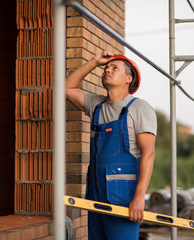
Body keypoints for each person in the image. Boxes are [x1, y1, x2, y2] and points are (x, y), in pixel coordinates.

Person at [66, 51, 157, 240]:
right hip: (95, 195)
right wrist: (94, 62)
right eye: (106, 68)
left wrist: (139, 198)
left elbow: (148, 154)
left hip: (123, 199)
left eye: (115, 68)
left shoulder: (139, 108)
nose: (107, 70)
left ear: (128, 79)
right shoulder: (96, 105)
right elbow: (67, 89)